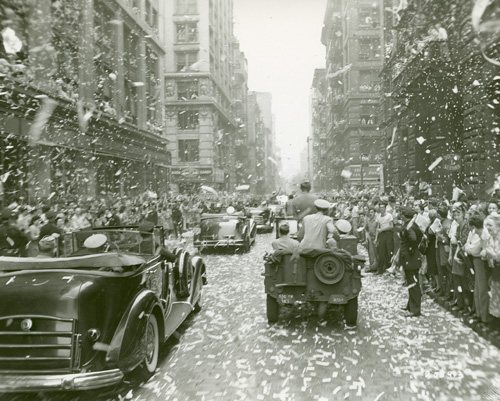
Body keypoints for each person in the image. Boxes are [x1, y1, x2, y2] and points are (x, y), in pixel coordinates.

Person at [399, 206, 423, 317]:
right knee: (411, 282)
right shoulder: (411, 225)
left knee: (413, 283)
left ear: (404, 216)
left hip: (410, 259)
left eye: (401, 214)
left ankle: (415, 310)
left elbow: (413, 239)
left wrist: (411, 249)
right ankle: (411, 305)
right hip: (409, 258)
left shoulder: (410, 227)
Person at [375, 202, 394, 275]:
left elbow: (391, 226)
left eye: (383, 207)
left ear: (385, 208)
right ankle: (380, 269)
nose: (381, 209)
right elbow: (377, 227)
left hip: (388, 234)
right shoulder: (378, 216)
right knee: (381, 252)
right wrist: (376, 238)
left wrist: (382, 229)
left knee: (389, 251)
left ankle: (389, 268)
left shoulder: (389, 215)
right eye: (380, 207)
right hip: (381, 235)